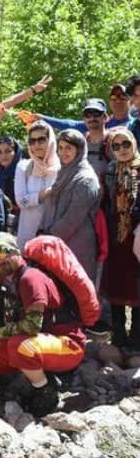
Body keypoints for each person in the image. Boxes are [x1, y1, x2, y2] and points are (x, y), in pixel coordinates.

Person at [0, 233, 87, 416]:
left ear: (16, 253)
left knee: (19, 346)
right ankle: (29, 377)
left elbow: (33, 325)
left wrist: (0, 332)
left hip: (69, 344)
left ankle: (45, 391)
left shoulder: (30, 279)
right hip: (42, 343)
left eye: (4, 253)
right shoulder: (12, 281)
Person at [38, 130, 100, 281]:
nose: (63, 152)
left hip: (78, 245)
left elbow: (73, 218)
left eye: (69, 148)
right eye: (61, 147)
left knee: (76, 294)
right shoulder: (65, 171)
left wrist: (48, 237)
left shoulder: (85, 179)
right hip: (60, 243)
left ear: (79, 150)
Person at [100, 128, 140, 348]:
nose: (122, 149)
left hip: (137, 237)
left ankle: (136, 338)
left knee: (137, 286)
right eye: (116, 146)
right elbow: (105, 202)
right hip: (116, 237)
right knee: (116, 286)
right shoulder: (109, 172)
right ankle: (118, 336)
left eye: (126, 144)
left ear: (134, 144)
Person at [35, 99, 110, 181]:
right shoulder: (80, 142)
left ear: (105, 117)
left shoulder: (113, 141)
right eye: (88, 115)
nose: (92, 118)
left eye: (96, 114)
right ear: (84, 119)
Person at [14, 121, 59, 249]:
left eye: (41, 140)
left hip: (53, 236)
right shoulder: (23, 167)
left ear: (50, 141)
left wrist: (32, 197)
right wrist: (49, 192)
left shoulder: (61, 167)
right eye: (32, 141)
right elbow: (21, 201)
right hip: (28, 236)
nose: (36, 145)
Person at [0, 136, 22, 222]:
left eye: (8, 151)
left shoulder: (23, 173)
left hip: (20, 221)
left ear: (16, 152)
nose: (3, 156)